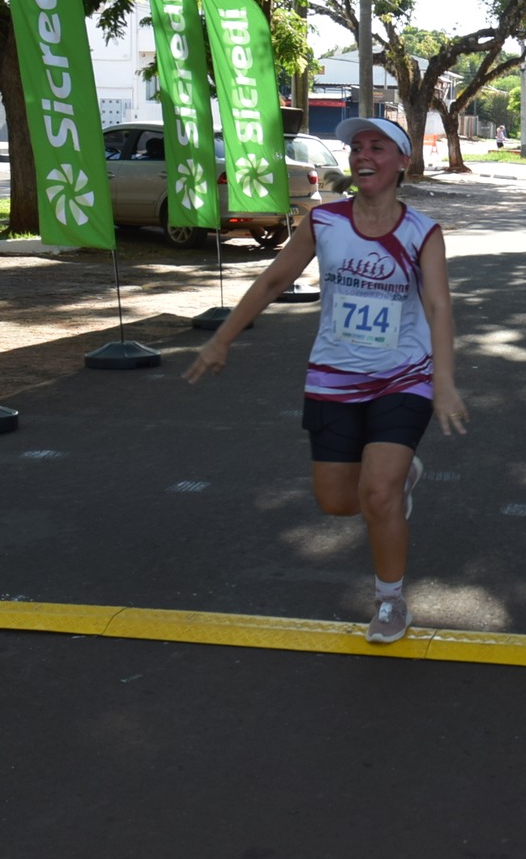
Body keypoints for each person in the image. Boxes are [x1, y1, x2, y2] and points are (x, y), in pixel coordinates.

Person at [183, 116, 468, 644]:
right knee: (337, 502)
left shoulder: (421, 231)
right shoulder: (324, 222)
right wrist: (222, 338)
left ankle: (389, 602)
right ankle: (405, 475)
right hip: (333, 378)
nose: (363, 156)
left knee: (377, 496)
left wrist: (444, 380)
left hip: (402, 377)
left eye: (378, 147)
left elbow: (438, 305)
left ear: (403, 161)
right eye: (356, 147)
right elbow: (272, 279)